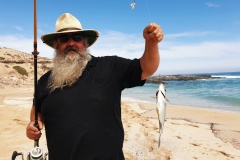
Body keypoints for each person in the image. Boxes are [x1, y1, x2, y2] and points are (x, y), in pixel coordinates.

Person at [26, 13, 164, 160]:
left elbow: (146, 68)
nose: (71, 43)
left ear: (85, 42)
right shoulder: (44, 81)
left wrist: (152, 43)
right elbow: (37, 113)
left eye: (77, 37)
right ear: (56, 44)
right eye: (64, 38)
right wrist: (33, 127)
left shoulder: (110, 67)